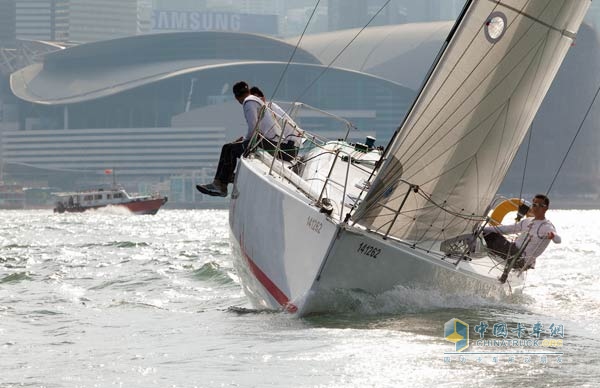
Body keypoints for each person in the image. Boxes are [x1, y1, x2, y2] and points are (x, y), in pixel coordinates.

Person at [196, 81, 282, 197]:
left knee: (229, 148)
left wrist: (245, 140)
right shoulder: (255, 100)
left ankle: (221, 184)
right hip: (271, 141)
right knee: (228, 147)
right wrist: (245, 139)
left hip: (268, 143)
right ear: (248, 91)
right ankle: (222, 181)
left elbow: (253, 126)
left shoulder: (248, 102)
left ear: (236, 97)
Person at [482, 194, 561, 278]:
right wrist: (484, 229)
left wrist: (553, 236)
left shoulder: (546, 226)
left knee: (490, 237)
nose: (536, 207)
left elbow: (558, 240)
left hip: (519, 259)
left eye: (540, 205)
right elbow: (508, 229)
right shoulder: (527, 221)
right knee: (488, 233)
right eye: (534, 204)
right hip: (513, 251)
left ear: (545, 208)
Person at [250, 86, 304, 161]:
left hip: (288, 150)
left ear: (263, 98)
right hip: (291, 148)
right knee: (253, 138)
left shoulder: (268, 110)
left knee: (254, 139)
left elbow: (274, 133)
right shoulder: (269, 107)